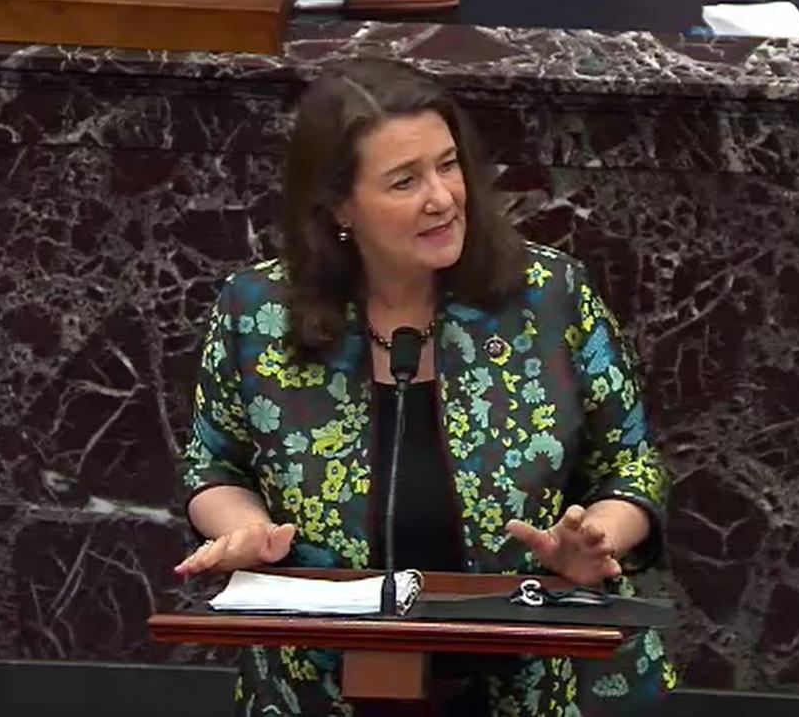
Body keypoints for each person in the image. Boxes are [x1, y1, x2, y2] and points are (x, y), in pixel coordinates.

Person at [175, 57, 675, 716]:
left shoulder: (550, 296)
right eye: (405, 180)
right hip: (319, 684)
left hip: (539, 684)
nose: (441, 197)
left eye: (448, 165)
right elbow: (215, 465)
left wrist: (595, 543)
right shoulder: (257, 311)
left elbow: (629, 463)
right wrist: (244, 530)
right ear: (338, 208)